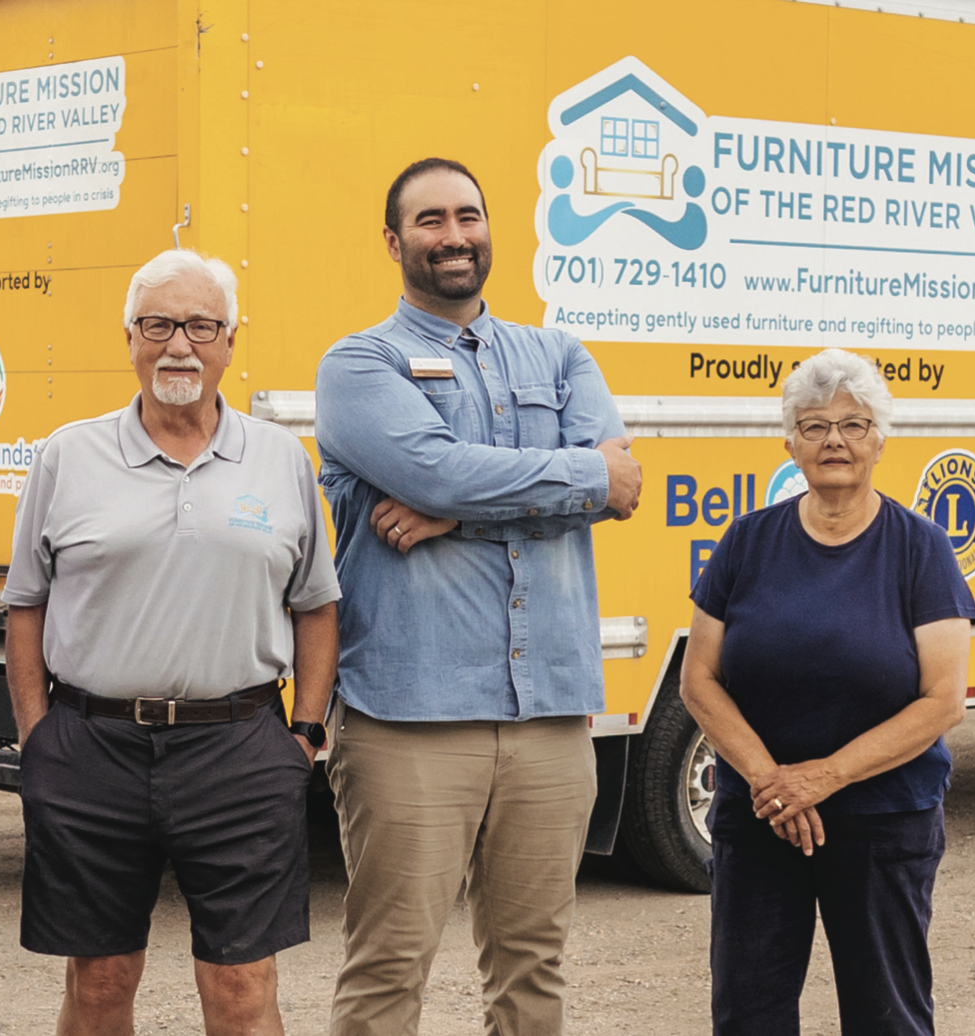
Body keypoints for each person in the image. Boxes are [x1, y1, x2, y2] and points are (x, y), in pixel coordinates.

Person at [314, 157, 643, 1036]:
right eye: (430, 220)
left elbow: (620, 488)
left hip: (550, 716)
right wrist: (543, 483)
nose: (454, 235)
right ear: (394, 243)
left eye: (468, 216)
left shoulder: (560, 353)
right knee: (389, 968)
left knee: (534, 968)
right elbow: (442, 470)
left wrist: (454, 514)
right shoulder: (360, 363)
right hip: (410, 717)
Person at [3, 248, 341, 1036]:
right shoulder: (67, 456)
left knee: (242, 989)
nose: (178, 345)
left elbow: (316, 605)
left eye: (200, 326)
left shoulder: (281, 459)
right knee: (99, 983)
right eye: (157, 325)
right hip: (92, 749)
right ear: (129, 338)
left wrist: (303, 735)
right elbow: (26, 606)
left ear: (230, 341)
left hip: (241, 748)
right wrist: (37, 739)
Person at [680, 347, 975, 1036]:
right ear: (790, 443)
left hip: (883, 820)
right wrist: (771, 782)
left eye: (853, 424)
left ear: (880, 439)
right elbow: (699, 679)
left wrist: (822, 778)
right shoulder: (746, 542)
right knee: (749, 1016)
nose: (834, 440)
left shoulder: (921, 549)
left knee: (886, 1017)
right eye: (814, 426)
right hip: (758, 817)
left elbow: (943, 701)